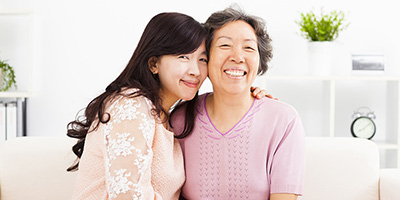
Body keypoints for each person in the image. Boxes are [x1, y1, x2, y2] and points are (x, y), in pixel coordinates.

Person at [67, 12, 269, 200]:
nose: (195, 71)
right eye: (183, 57)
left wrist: (247, 98)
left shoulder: (172, 118)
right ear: (154, 63)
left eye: (202, 59)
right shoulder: (131, 106)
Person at [171, 7, 306, 200]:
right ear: (205, 57)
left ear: (260, 60)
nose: (237, 57)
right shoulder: (180, 119)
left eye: (249, 48)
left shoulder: (284, 121)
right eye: (225, 45)